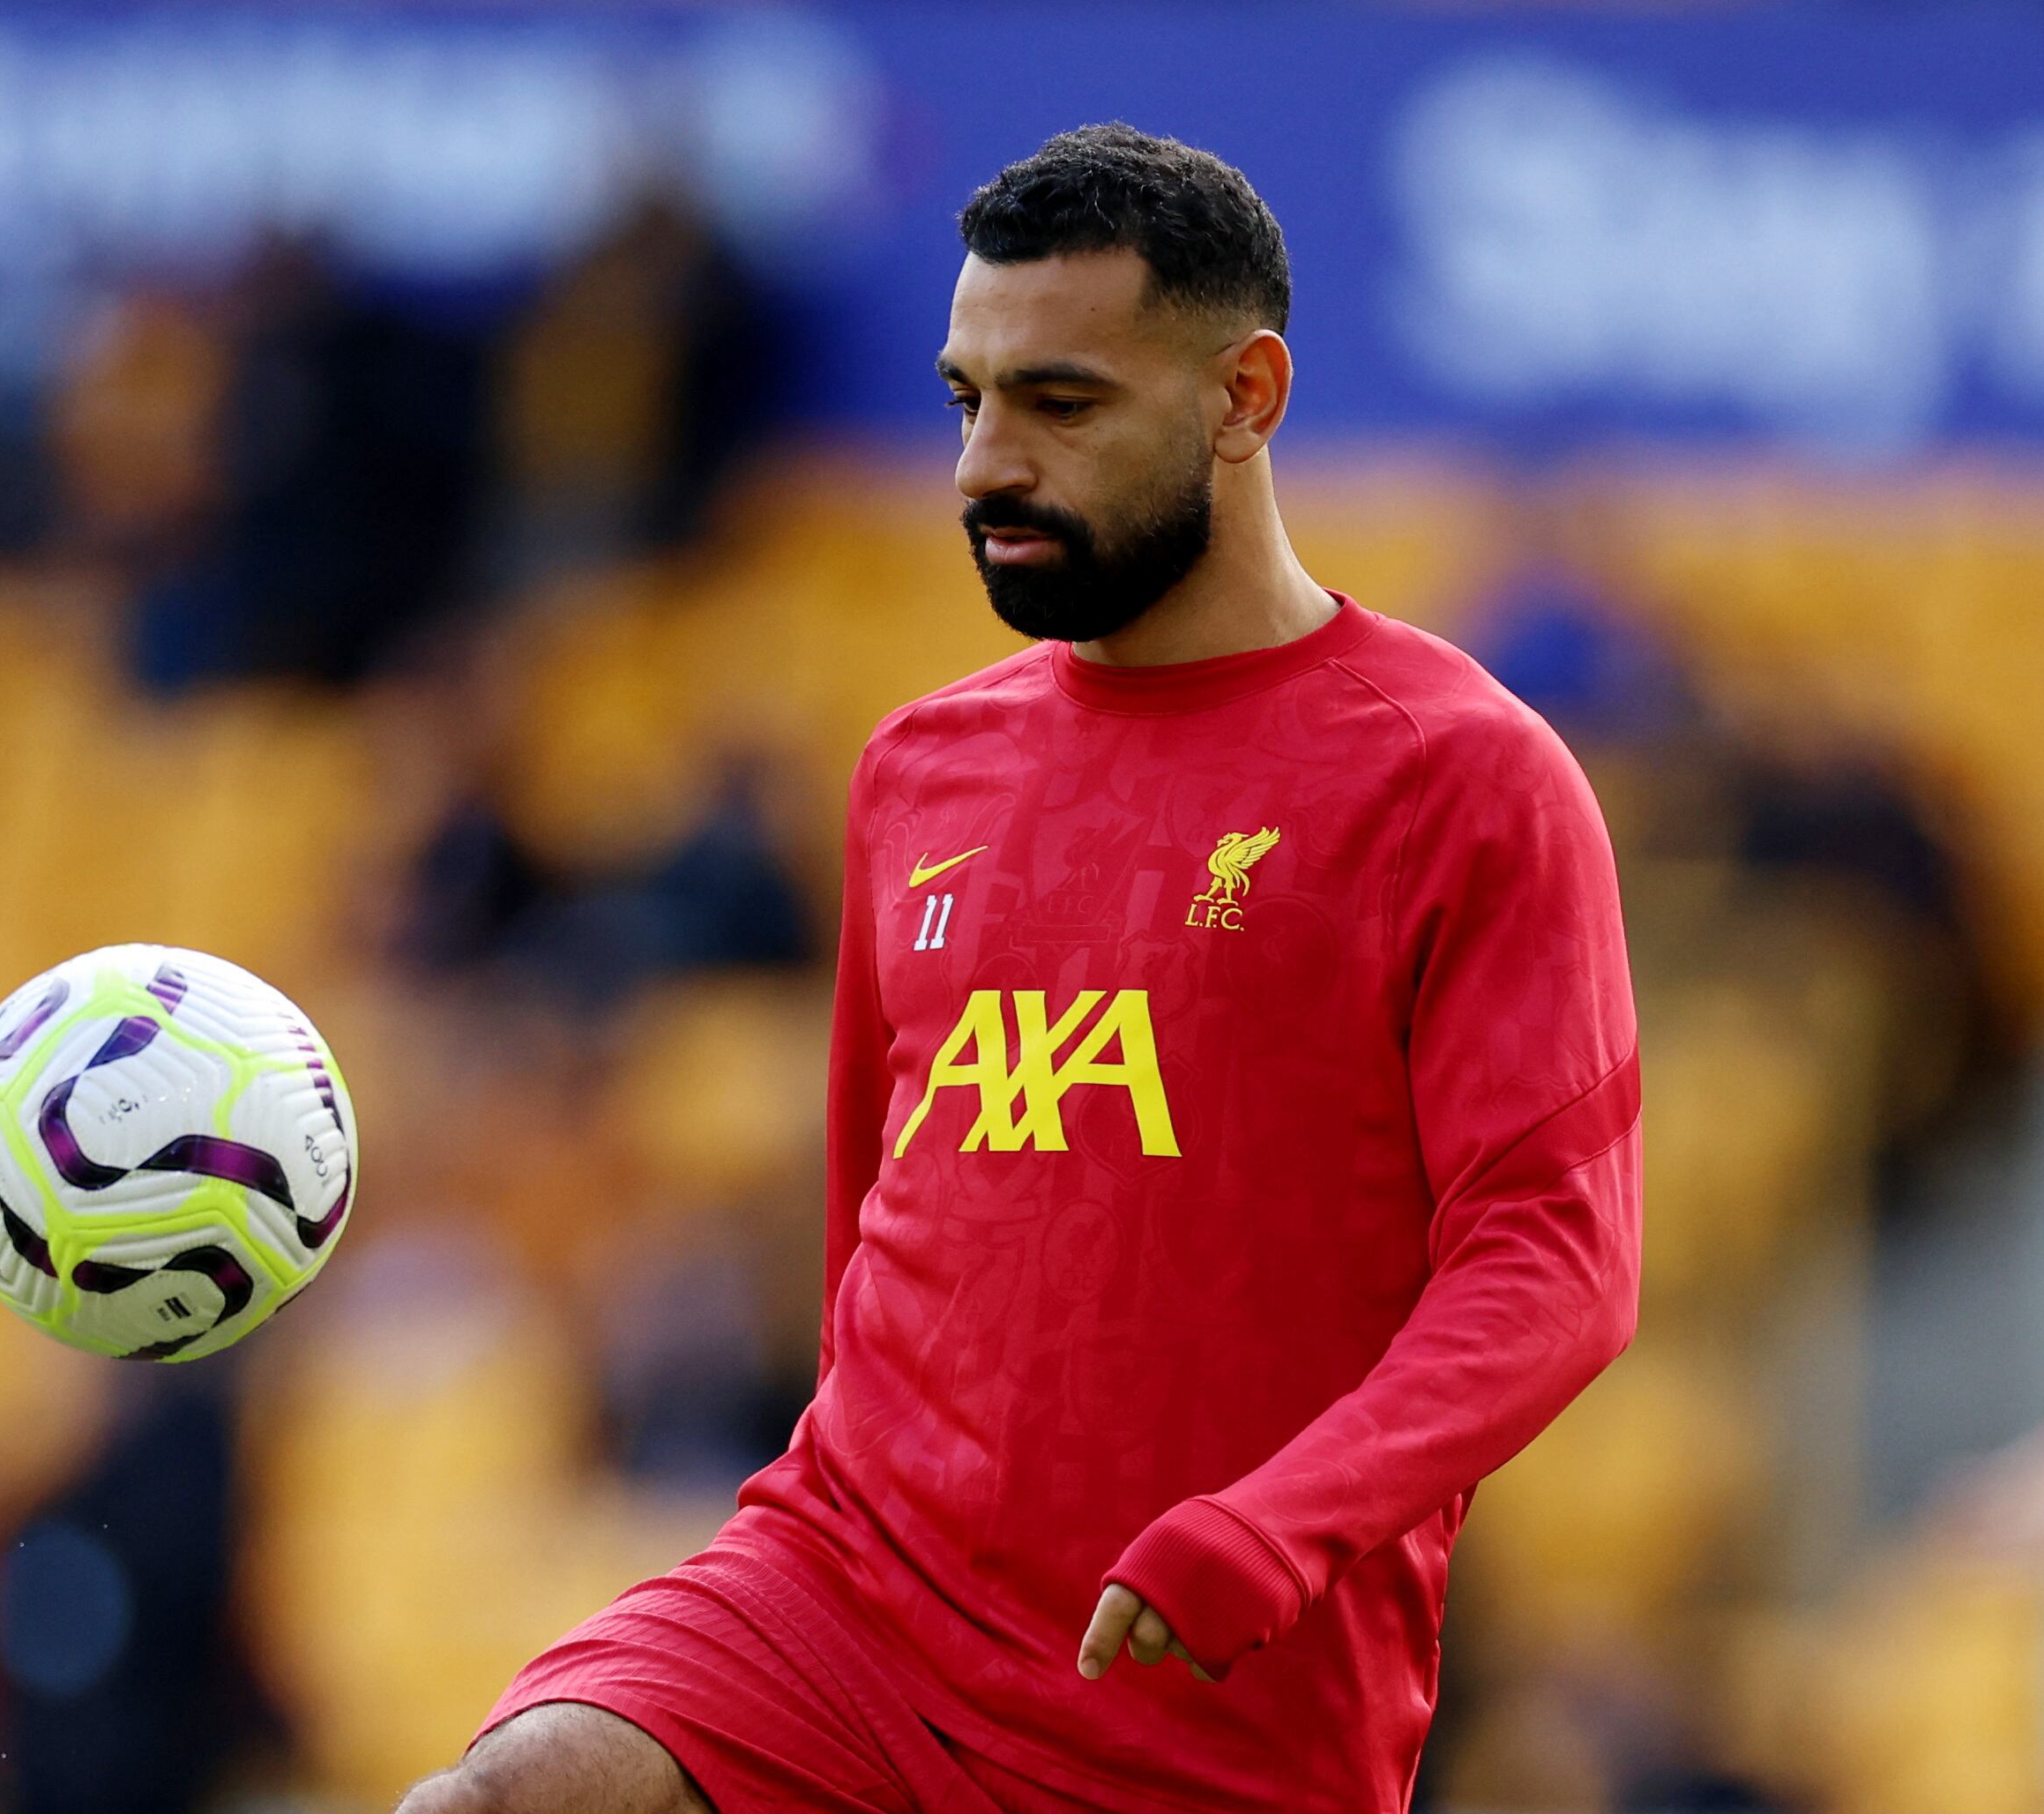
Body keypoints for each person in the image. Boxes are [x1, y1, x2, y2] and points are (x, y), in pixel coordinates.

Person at [399, 124, 1642, 1814]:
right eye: (966, 400)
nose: (987, 462)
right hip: (846, 1596)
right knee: (507, 1795)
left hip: (1198, 1693)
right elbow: (869, 1224)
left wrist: (1277, 1523)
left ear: (1244, 397)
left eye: (1059, 405)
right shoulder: (921, 767)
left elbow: (1559, 1265)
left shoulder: (1458, 775)